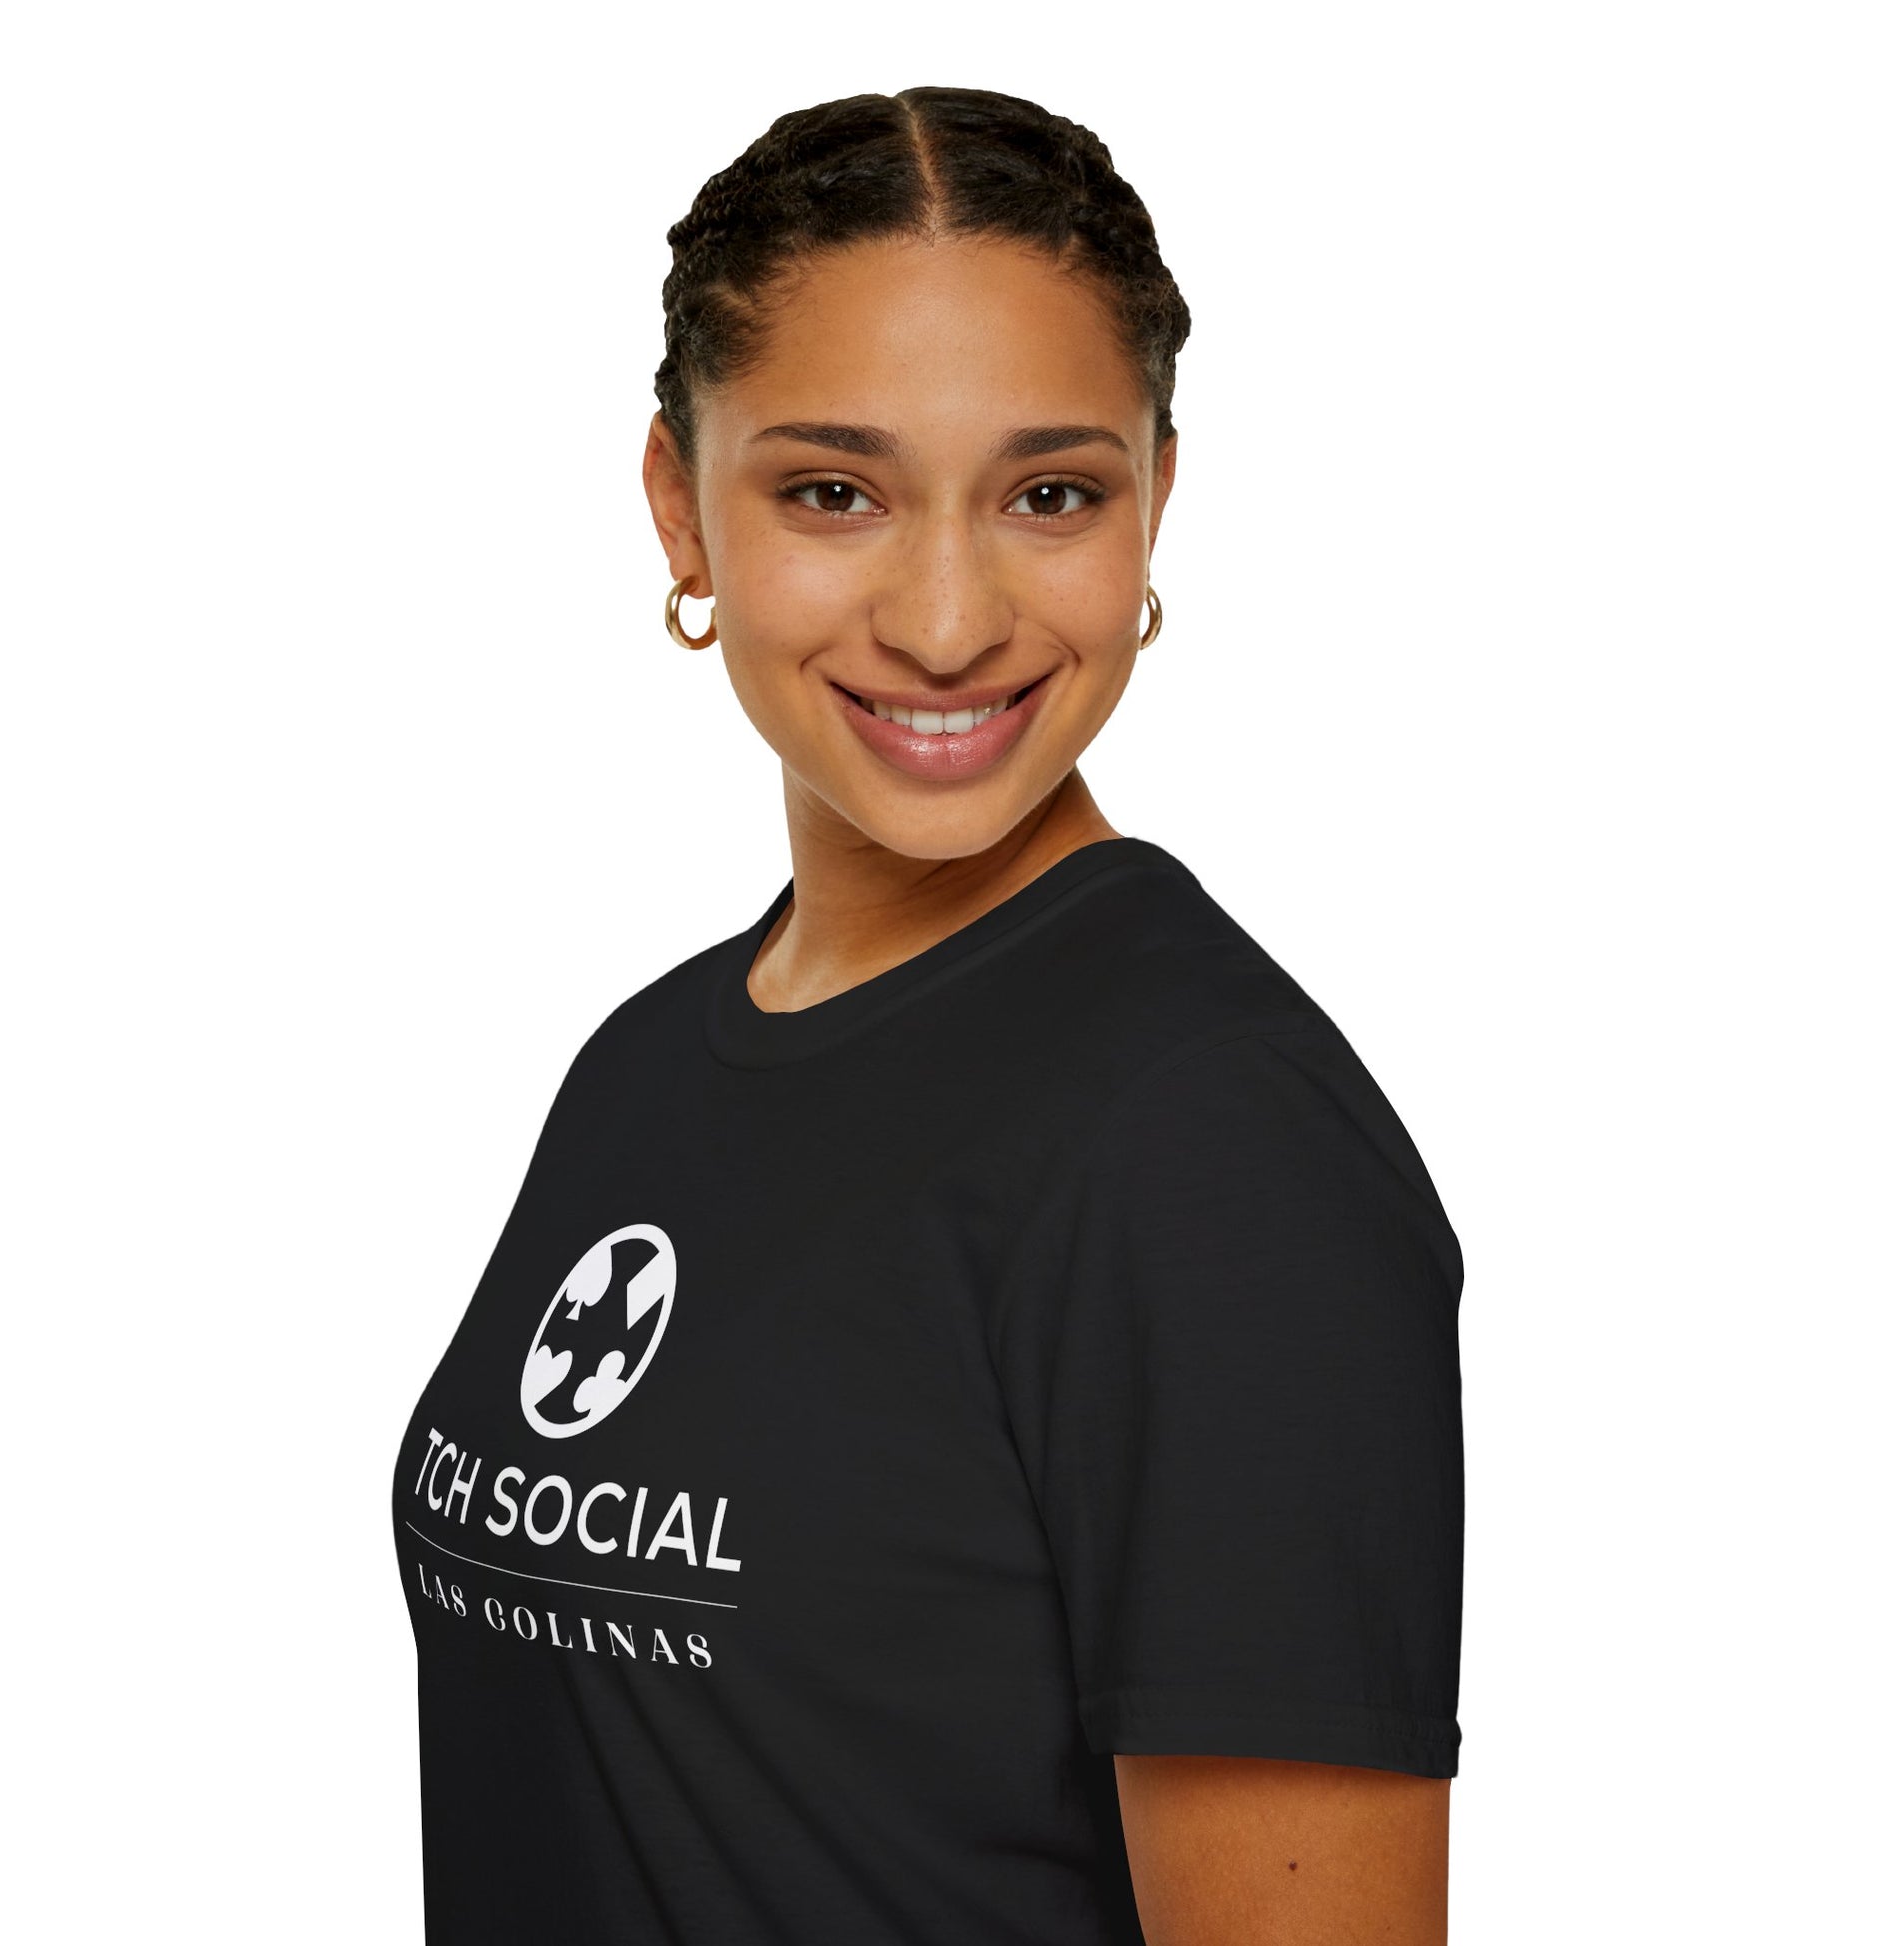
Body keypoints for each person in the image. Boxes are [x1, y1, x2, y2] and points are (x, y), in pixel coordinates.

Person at [393, 85, 1464, 1945]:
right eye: (834, 491)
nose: (949, 619)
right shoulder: (644, 1063)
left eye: (1051, 494)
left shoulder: (1212, 1148)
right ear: (679, 503)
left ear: (1156, 501)